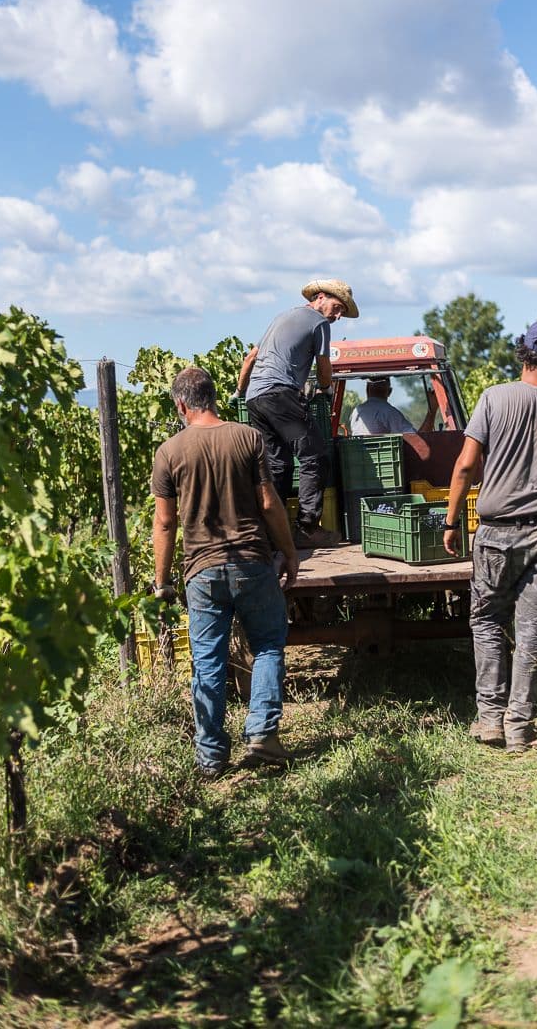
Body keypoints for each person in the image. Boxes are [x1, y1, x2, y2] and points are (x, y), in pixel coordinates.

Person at [442, 319, 537, 754]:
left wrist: (451, 521)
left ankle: (489, 719)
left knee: (486, 621)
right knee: (532, 632)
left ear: (522, 352)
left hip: (496, 534)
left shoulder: (494, 398)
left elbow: (466, 466)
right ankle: (519, 728)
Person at [151, 366, 299, 779]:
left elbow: (164, 523)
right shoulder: (247, 437)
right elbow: (269, 503)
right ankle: (262, 736)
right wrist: (288, 552)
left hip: (201, 571)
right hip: (252, 561)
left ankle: (211, 757)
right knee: (268, 643)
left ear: (181, 405)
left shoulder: (169, 452)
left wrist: (162, 583)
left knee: (208, 661)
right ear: (214, 398)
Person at [233, 278, 359, 549]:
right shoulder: (318, 323)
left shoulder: (282, 317)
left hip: (256, 398)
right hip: (280, 394)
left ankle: (270, 531)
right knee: (315, 456)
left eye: (341, 313)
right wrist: (326, 389)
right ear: (321, 297)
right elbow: (324, 366)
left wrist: (239, 392)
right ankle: (307, 527)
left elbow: (250, 358)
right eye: (337, 308)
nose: (337, 316)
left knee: (279, 465)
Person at [349, 376, 436, 436]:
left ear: (367, 390)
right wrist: (432, 409)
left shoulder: (356, 411)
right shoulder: (389, 412)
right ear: (389, 392)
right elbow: (418, 440)